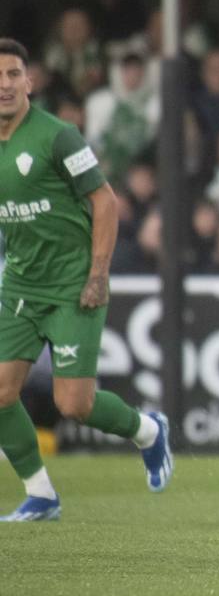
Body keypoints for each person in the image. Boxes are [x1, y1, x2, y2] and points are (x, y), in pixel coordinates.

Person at [0, 38, 172, 523]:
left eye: (13, 74)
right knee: (1, 393)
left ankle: (148, 431)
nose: (5, 85)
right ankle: (41, 494)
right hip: (19, 286)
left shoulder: (58, 137)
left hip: (74, 285)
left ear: (29, 82)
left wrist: (98, 273)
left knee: (73, 403)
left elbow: (105, 202)